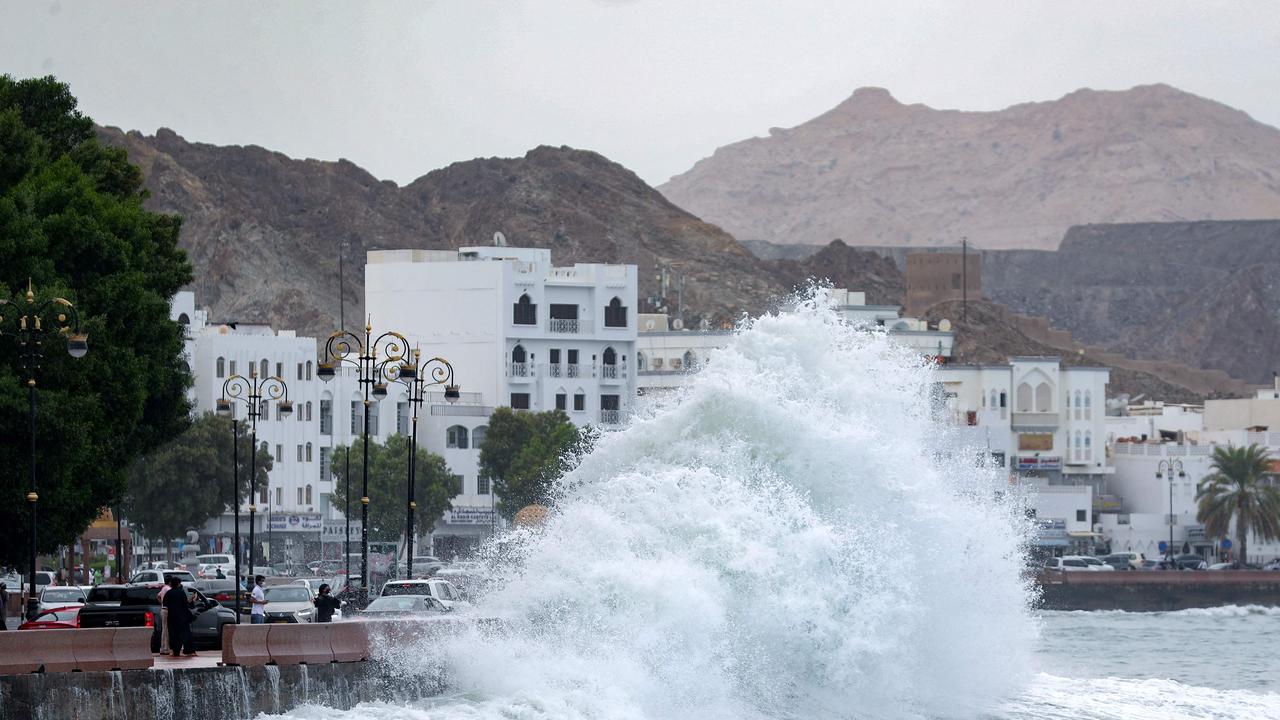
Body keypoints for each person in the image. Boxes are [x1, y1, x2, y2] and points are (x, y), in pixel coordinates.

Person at [161, 576, 196, 656]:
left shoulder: (168, 593)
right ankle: (188, 650)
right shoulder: (181, 593)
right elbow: (186, 604)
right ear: (178, 584)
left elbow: (165, 603)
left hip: (172, 617)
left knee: (174, 635)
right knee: (184, 634)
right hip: (182, 617)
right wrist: (192, 601)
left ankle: (175, 651)